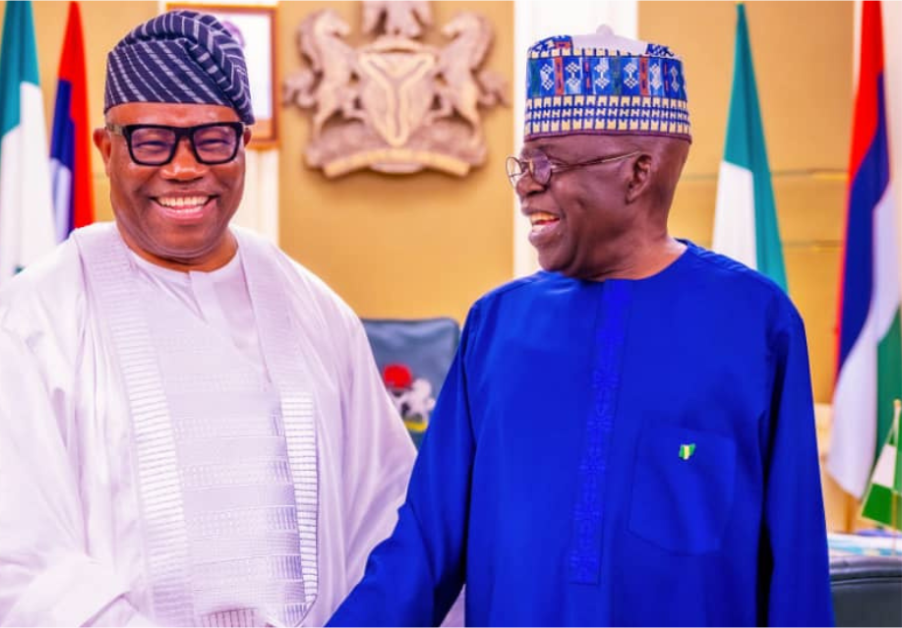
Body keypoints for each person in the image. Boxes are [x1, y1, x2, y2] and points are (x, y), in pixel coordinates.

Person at [0, 11, 415, 627]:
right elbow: (3, 565)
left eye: (212, 138)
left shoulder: (316, 315)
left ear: (243, 144)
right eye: (151, 140)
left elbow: (386, 521)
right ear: (106, 148)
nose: (184, 166)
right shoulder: (30, 326)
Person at [328, 27, 834, 627]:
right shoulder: (497, 327)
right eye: (525, 163)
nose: (526, 183)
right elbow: (424, 547)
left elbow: (796, 566)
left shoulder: (755, 324)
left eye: (549, 162)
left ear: (638, 173)